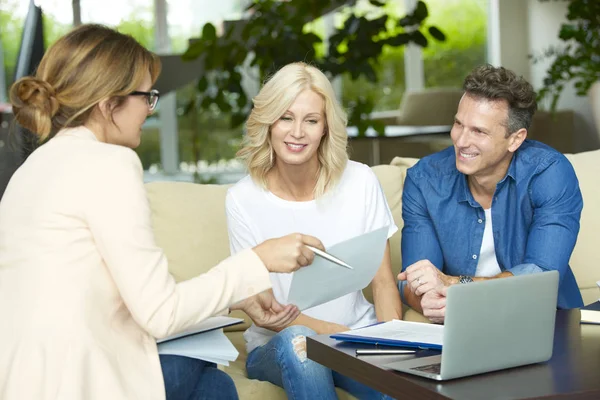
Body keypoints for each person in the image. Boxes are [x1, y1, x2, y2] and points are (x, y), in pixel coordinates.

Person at [0, 24, 326, 400]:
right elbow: (160, 313)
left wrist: (238, 294)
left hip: (24, 380)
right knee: (203, 371)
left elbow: (138, 300)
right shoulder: (109, 163)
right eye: (145, 96)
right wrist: (257, 260)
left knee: (211, 383)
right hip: (74, 381)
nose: (150, 109)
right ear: (108, 105)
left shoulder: (34, 168)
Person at [225, 62, 401, 400]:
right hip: (281, 346)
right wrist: (340, 336)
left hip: (357, 337)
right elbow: (269, 312)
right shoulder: (242, 200)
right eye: (285, 118)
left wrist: (390, 343)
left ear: (325, 128)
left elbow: (381, 282)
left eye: (311, 120)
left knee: (397, 387)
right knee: (301, 344)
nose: (297, 133)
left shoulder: (361, 182)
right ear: (268, 123)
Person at [398, 64, 584, 324]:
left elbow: (541, 275)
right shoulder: (424, 180)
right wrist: (429, 302)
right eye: (458, 124)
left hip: (543, 319)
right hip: (462, 322)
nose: (461, 141)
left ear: (515, 139)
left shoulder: (549, 173)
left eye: (479, 131)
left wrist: (455, 284)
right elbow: (412, 279)